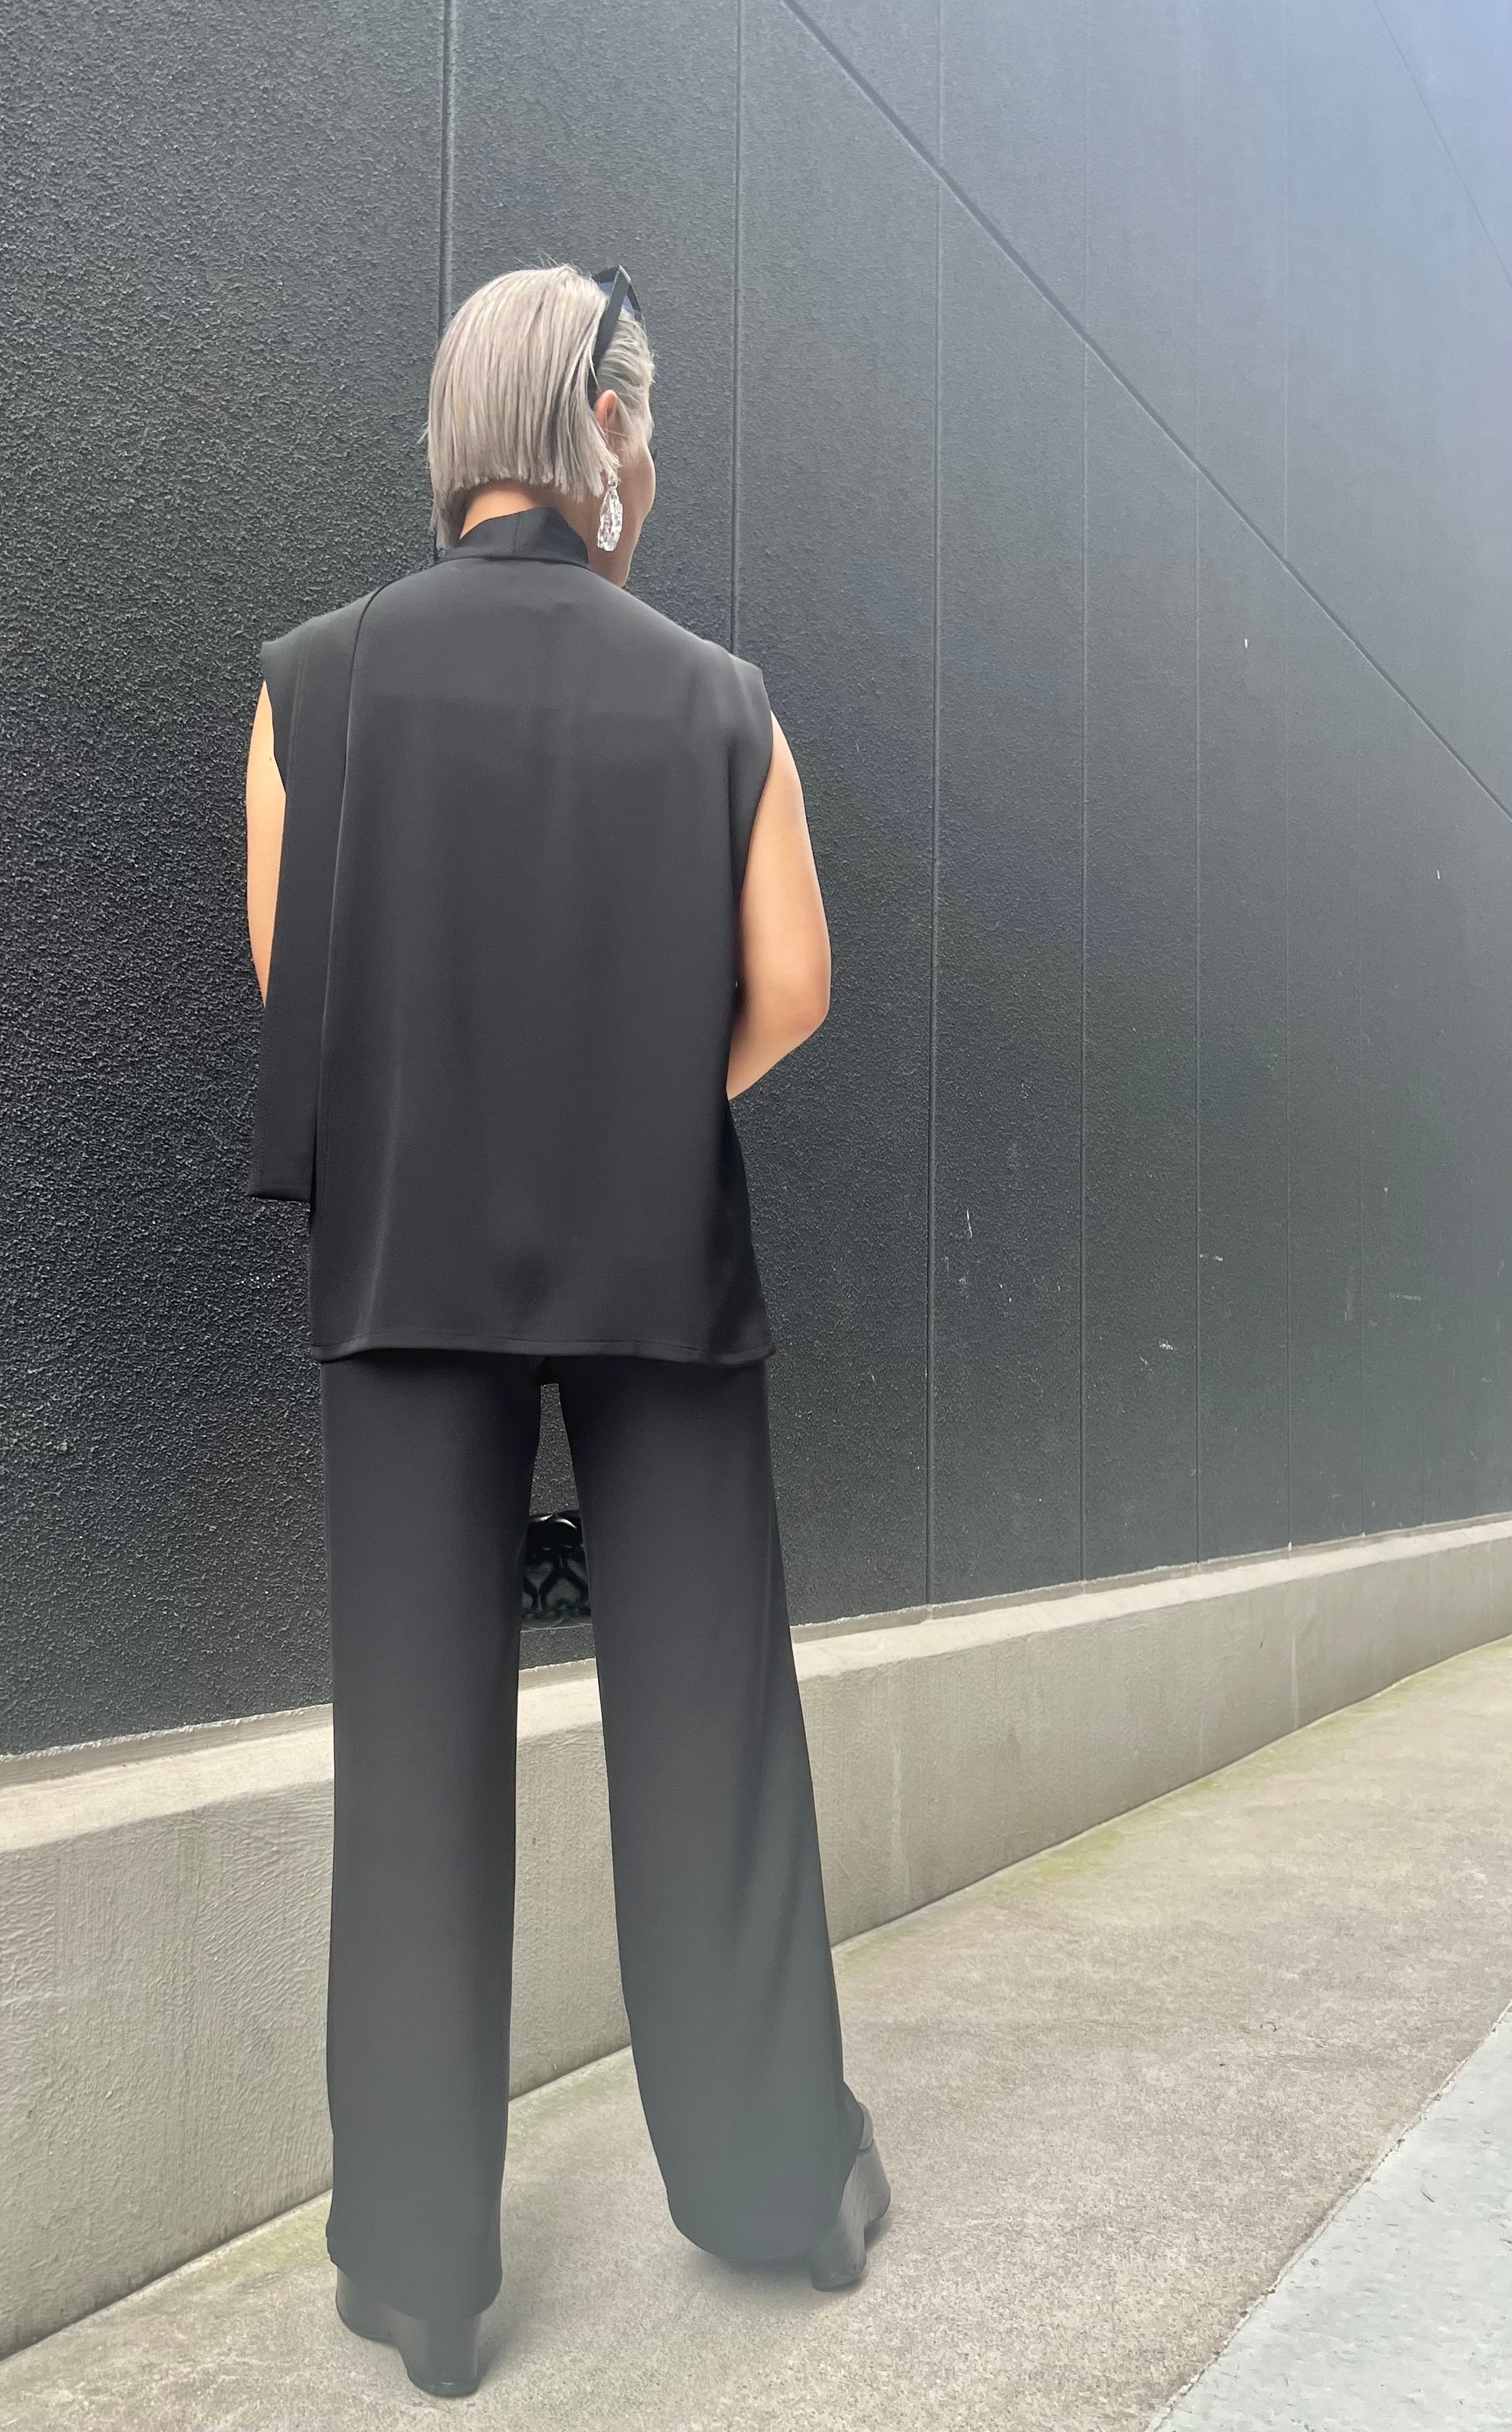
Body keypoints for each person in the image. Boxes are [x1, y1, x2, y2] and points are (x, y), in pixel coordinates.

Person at [242, 261, 888, 2400]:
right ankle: (777, 2189)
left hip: (406, 1265)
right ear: (598, 423)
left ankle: (421, 2273)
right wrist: (627, 1110)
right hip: (654, 1263)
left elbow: (304, 987)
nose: (653, 461)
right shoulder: (718, 695)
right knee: (707, 1725)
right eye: (649, 423)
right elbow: (790, 986)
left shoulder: (314, 682)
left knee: (413, 1748)